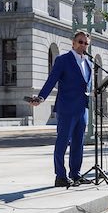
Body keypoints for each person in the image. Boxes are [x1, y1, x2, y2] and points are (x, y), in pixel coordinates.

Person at [29, 31, 93, 187]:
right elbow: (52, 80)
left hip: (82, 109)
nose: (82, 45)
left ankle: (75, 174)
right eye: (80, 42)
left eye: (85, 43)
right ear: (73, 42)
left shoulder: (89, 64)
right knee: (63, 142)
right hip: (66, 108)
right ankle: (60, 176)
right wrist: (41, 97)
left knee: (78, 143)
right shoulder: (63, 60)